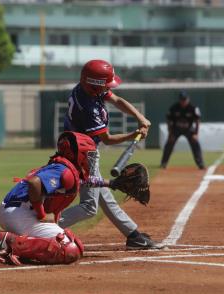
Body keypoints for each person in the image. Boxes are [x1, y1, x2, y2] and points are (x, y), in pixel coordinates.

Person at [58, 59, 158, 250]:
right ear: (94, 85)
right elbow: (107, 139)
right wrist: (134, 134)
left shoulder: (87, 88)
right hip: (82, 155)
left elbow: (117, 100)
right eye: (104, 84)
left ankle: (133, 235)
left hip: (82, 149)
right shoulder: (87, 108)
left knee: (104, 195)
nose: (107, 88)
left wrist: (140, 117)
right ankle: (45, 228)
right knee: (89, 207)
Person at [0, 131, 96, 265]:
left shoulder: (59, 166)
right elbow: (34, 183)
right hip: (21, 215)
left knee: (72, 243)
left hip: (14, 211)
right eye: (87, 154)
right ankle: (9, 243)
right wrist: (42, 215)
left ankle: (19, 244)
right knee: (69, 248)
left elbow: (82, 182)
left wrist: (112, 183)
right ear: (75, 154)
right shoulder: (65, 170)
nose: (89, 159)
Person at [160, 91, 205, 170]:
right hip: (176, 129)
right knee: (169, 143)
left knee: (195, 143)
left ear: (188, 99)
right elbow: (169, 121)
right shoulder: (174, 108)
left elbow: (197, 121)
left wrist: (196, 134)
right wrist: (170, 133)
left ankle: (200, 163)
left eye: (185, 99)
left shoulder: (193, 108)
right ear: (179, 100)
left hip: (189, 129)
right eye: (182, 100)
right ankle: (164, 163)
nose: (183, 101)